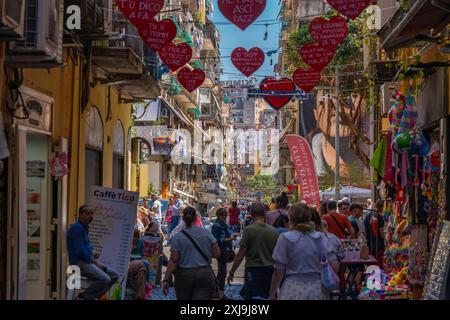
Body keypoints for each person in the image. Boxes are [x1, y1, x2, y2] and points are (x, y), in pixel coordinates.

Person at [269, 203, 333, 300]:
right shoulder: (320, 237)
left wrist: (272, 293)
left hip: (292, 288)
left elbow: (278, 271)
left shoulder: (285, 238)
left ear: (290, 218)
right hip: (316, 288)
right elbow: (333, 263)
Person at [163, 207, 220, 300]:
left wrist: (166, 279)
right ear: (196, 218)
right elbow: (217, 254)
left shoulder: (178, 237)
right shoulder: (206, 233)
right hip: (204, 273)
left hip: (185, 275)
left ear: (183, 218)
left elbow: (174, 260)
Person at [228, 203, 279, 300]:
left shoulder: (249, 230)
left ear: (251, 214)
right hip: (269, 270)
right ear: (264, 214)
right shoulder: (274, 231)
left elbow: (240, 256)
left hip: (253, 270)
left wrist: (232, 272)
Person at [67, 205, 119, 300]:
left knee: (115, 276)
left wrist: (93, 252)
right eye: (87, 213)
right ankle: (81, 297)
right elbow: (79, 251)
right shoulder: (77, 228)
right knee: (105, 279)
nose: (90, 216)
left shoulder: (85, 227)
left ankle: (95, 295)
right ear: (81, 214)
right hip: (79, 263)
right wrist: (94, 261)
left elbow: (86, 246)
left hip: (87, 261)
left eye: (92, 213)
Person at [211, 208, 238, 299]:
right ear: (218, 215)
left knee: (222, 271)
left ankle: (217, 290)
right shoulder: (217, 225)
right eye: (222, 215)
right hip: (221, 250)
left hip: (225, 249)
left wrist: (232, 236)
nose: (224, 216)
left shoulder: (224, 225)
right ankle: (219, 292)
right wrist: (230, 239)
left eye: (225, 215)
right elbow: (217, 240)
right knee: (222, 271)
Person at [364, 200, 385, 267]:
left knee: (371, 264)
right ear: (381, 207)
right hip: (378, 245)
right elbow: (381, 233)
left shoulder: (367, 216)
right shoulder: (379, 217)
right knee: (378, 264)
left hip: (370, 244)